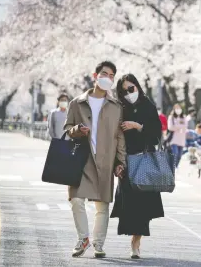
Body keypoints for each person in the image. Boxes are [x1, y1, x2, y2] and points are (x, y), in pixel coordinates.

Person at [64, 61, 126, 258]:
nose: (107, 78)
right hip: (82, 158)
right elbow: (66, 130)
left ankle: (98, 243)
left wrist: (120, 162)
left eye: (111, 76)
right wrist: (76, 130)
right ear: (95, 75)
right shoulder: (77, 103)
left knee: (102, 203)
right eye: (104, 74)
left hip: (105, 159)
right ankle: (83, 238)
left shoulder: (116, 107)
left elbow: (119, 137)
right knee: (75, 199)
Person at [111, 74, 164, 259]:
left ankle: (136, 242)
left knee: (142, 205)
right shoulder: (119, 107)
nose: (128, 93)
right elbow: (113, 138)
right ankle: (132, 238)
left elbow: (157, 134)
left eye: (131, 88)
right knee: (128, 204)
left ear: (138, 86)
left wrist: (138, 126)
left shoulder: (148, 106)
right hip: (125, 161)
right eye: (124, 90)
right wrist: (117, 163)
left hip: (144, 161)